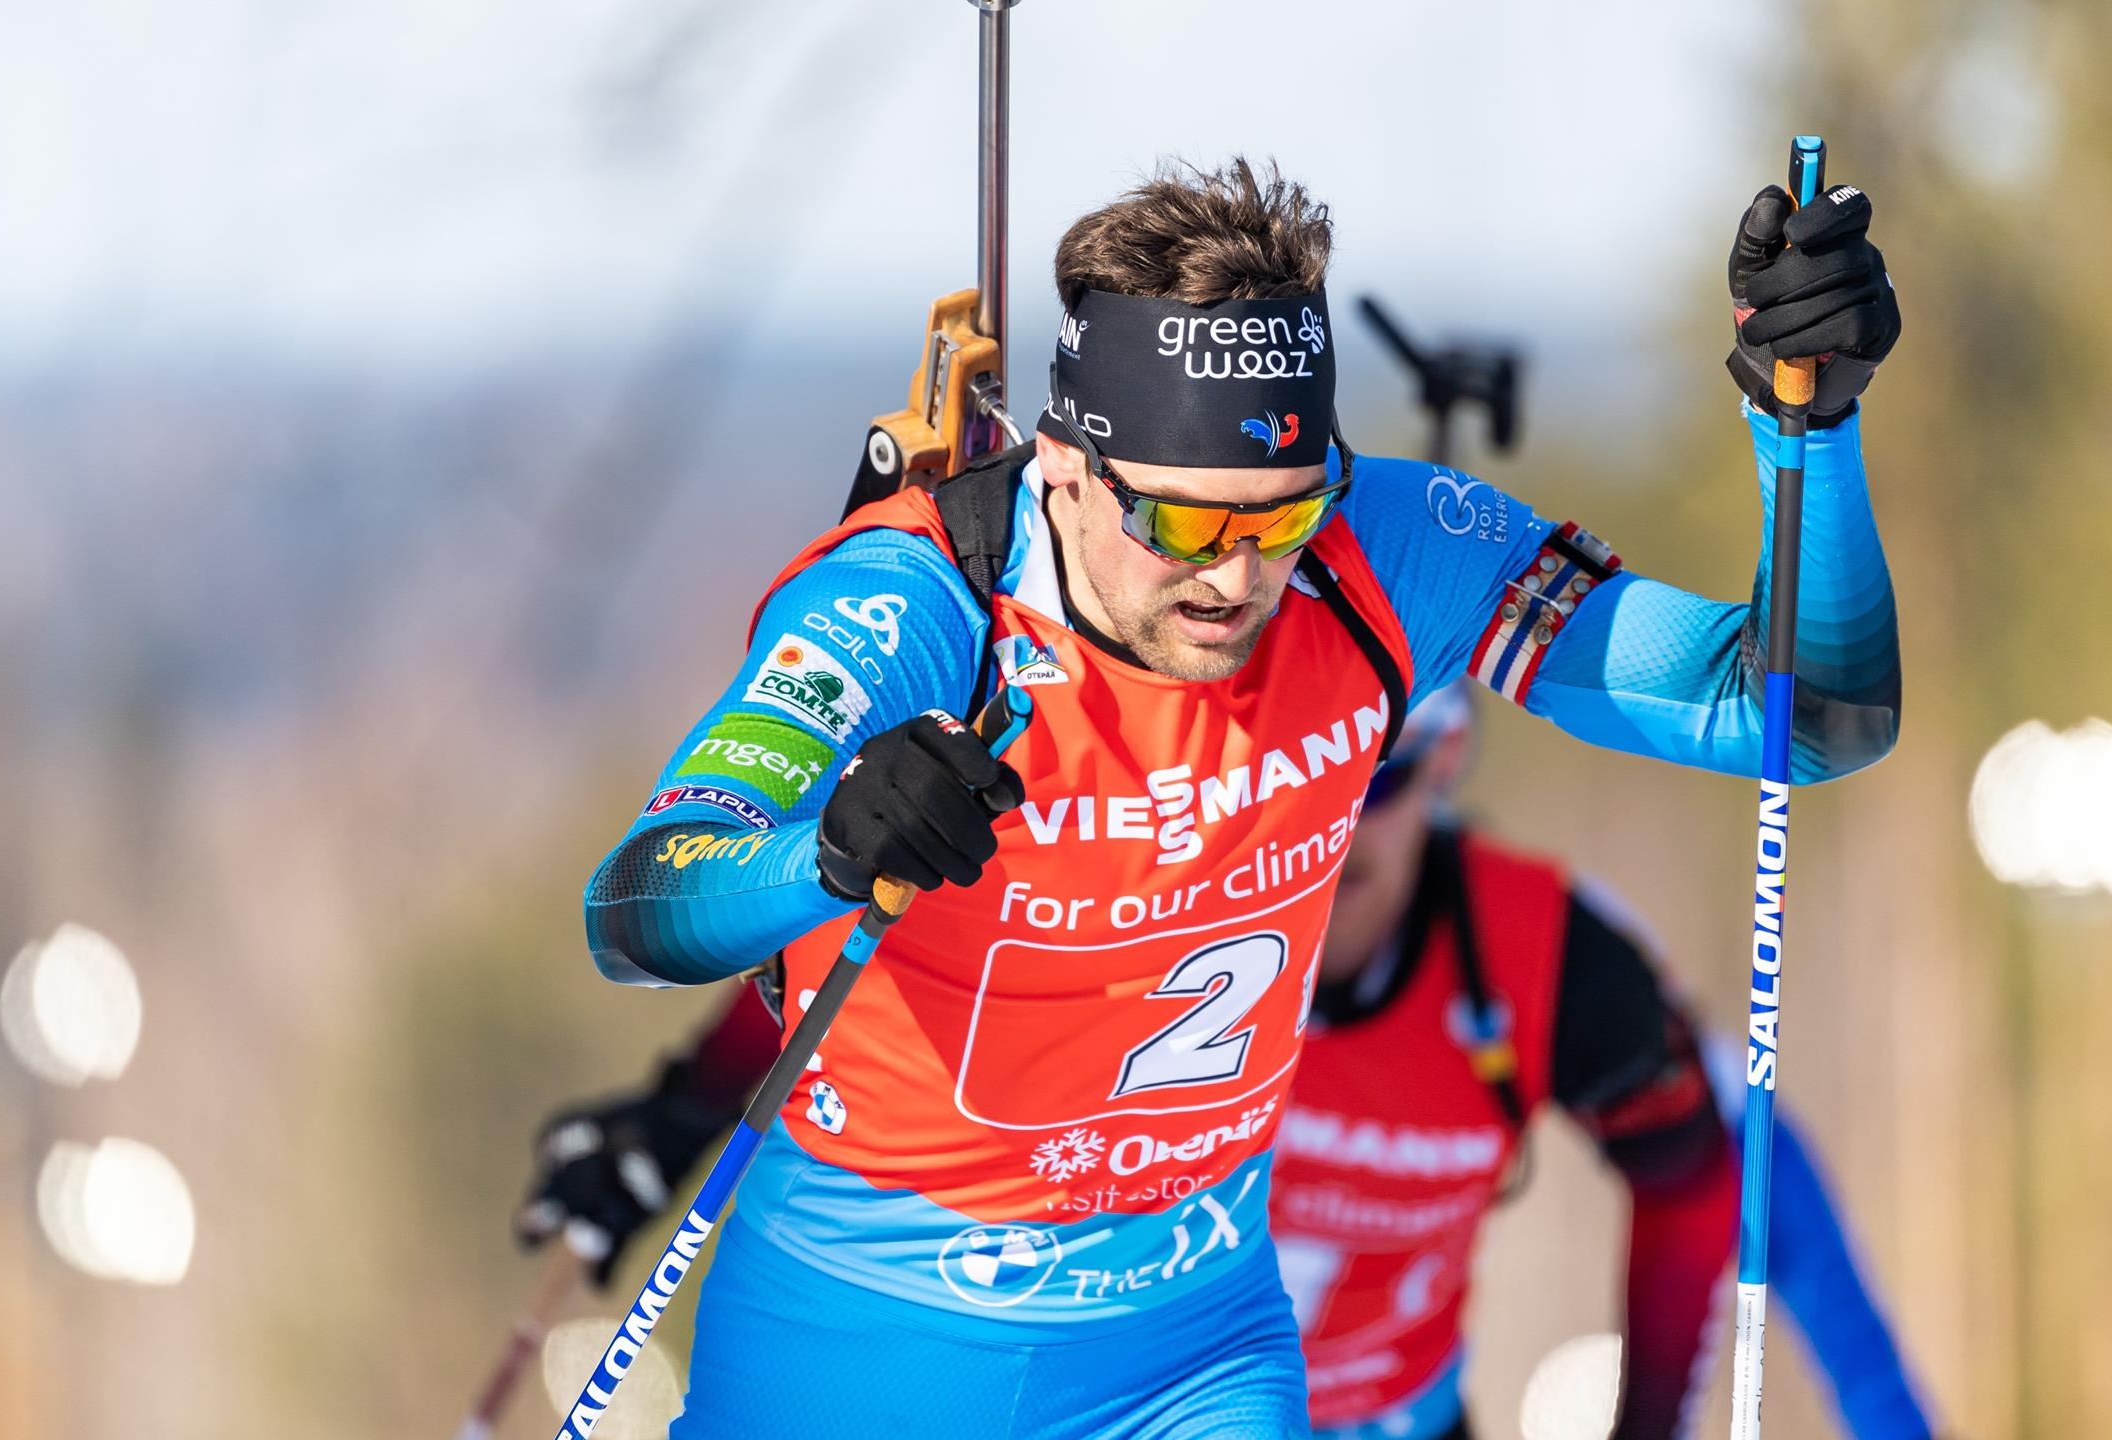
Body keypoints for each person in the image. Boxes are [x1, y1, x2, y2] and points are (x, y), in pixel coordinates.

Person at [579, 157, 1903, 1438]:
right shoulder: (914, 609)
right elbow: (639, 905)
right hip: (858, 1342)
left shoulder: (1383, 553)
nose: (1238, 579)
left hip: (1184, 1355)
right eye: (1188, 528)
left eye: (1279, 517)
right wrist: (826, 847)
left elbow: (1802, 719)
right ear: (1065, 465)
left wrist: (1818, 429)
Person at [530, 694, 1938, 1439]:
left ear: (1442, 770)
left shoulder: (1537, 951)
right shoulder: (1141, 893)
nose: (1337, 842)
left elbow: (1719, 1180)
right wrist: (674, 1118)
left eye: (1376, 792)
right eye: (1309, 797)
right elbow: (874, 985)